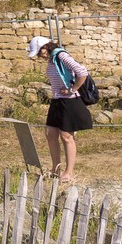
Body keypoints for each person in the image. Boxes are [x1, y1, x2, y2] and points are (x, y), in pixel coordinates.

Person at [27, 35, 92, 182]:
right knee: (50, 134)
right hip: (57, 100)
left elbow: (82, 72)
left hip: (70, 101)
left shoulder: (61, 55)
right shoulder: (52, 59)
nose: (39, 56)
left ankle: (69, 173)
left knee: (66, 137)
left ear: (46, 47)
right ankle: (56, 169)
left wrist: (72, 89)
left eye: (39, 52)